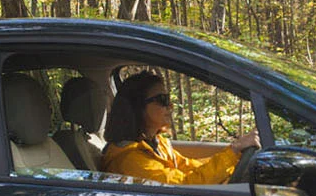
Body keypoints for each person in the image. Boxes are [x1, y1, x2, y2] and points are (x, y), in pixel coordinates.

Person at [100, 71, 260, 184]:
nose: (170, 105)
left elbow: (189, 167)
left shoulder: (156, 143)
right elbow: (185, 184)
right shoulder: (131, 161)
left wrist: (235, 157)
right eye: (162, 100)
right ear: (137, 107)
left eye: (168, 98)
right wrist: (234, 150)